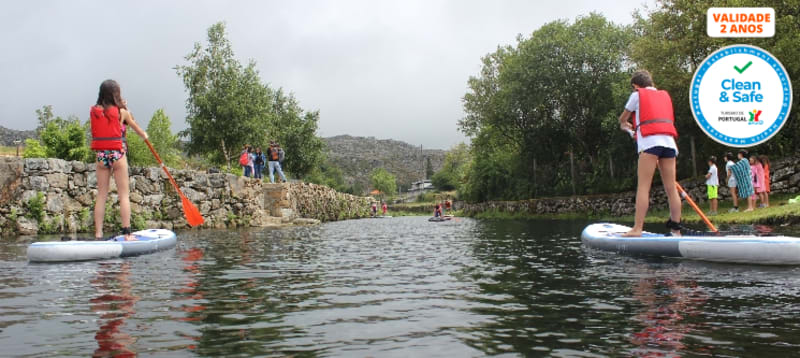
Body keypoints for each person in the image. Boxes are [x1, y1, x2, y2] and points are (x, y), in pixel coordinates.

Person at [618, 70, 682, 236]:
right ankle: (676, 230)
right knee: (671, 189)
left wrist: (625, 126)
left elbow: (622, 118)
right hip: (669, 144)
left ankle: (637, 229)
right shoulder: (664, 95)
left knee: (643, 187)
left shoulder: (636, 95)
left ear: (636, 85)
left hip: (650, 143)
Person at [90, 80, 148, 241]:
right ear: (116, 94)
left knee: (102, 194)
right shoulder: (122, 112)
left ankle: (98, 234)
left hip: (101, 156)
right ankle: (127, 233)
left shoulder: (95, 111)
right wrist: (145, 135)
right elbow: (138, 130)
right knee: (124, 195)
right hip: (118, 156)